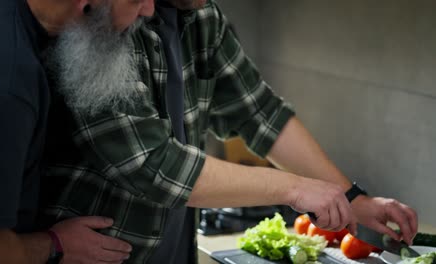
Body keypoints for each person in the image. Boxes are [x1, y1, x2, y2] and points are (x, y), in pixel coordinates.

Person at [40, 0, 418, 263]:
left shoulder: (202, 17)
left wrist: (352, 198)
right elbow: (154, 164)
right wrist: (294, 188)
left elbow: (259, 112)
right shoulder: (108, 20)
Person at [0, 0, 137, 263]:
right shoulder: (5, 89)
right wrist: (53, 245)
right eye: (137, 1)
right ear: (87, 4)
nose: (149, 10)